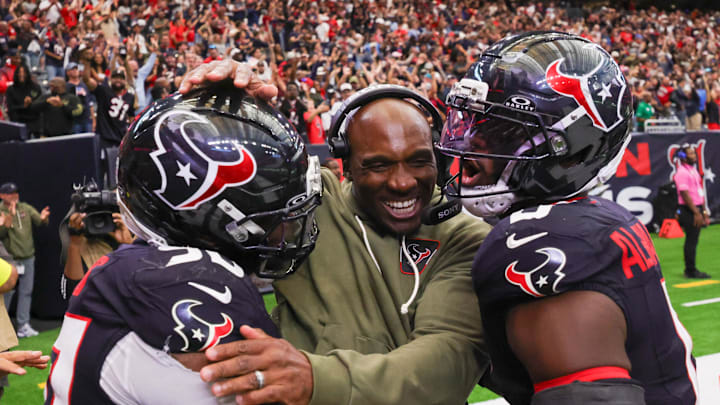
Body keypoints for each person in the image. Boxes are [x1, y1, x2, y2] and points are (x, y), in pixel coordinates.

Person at [179, 60, 491, 405]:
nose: (403, 182)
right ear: (346, 163)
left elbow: (446, 362)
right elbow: (206, 197)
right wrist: (224, 113)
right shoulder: (307, 204)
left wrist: (314, 379)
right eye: (378, 165)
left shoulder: (464, 236)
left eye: (419, 161)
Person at [437, 31, 698, 405]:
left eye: (502, 131)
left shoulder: (540, 242)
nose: (469, 146)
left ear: (572, 153)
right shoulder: (591, 222)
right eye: (474, 123)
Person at [44, 83, 322, 404]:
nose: (284, 230)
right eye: (272, 216)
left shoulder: (133, 269)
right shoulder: (196, 283)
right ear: (211, 212)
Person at [0, 182, 50, 338]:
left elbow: (40, 221)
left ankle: (23, 326)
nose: (14, 195)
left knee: (26, 292)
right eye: (10, 193)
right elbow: (1, 234)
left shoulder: (25, 208)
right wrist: (9, 216)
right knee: (6, 293)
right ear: (2, 195)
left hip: (28, 257)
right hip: (9, 259)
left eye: (15, 192)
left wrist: (43, 218)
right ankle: (3, 326)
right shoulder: (0, 211)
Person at [673, 144, 711, 279]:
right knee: (691, 240)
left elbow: (700, 191)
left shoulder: (693, 171)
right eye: (691, 154)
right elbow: (684, 193)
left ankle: (691, 268)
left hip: (696, 208)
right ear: (683, 157)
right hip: (689, 210)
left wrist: (704, 211)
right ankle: (690, 270)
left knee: (693, 239)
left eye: (694, 153)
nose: (694, 156)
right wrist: (696, 212)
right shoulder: (681, 173)